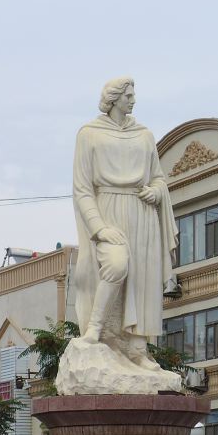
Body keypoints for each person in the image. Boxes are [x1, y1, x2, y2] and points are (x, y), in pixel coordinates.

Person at [70, 77, 178, 372]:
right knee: (116, 265)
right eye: (128, 95)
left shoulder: (144, 135)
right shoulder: (89, 134)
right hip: (107, 210)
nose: (133, 100)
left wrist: (156, 191)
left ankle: (137, 347)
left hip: (141, 212)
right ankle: (95, 329)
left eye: (134, 95)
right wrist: (99, 228)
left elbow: (158, 177)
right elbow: (82, 188)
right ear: (114, 98)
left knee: (143, 278)